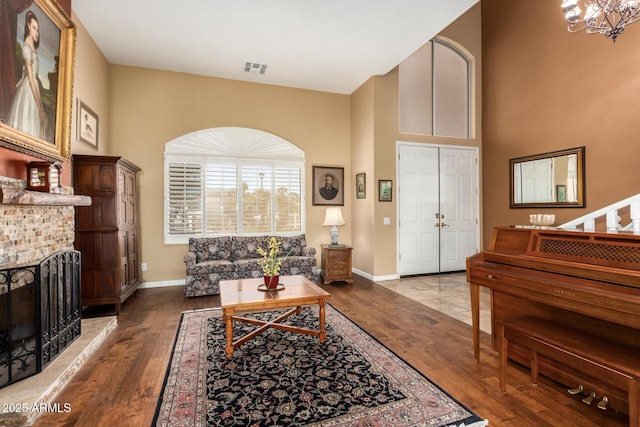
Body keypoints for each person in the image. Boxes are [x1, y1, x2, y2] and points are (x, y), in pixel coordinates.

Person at [7, 10, 47, 139]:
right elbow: (30, 79)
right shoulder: (26, 47)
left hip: (34, 85)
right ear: (28, 26)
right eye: (34, 28)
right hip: (29, 88)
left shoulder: (33, 47)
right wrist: (40, 107)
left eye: (38, 29)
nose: (36, 32)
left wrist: (41, 106)